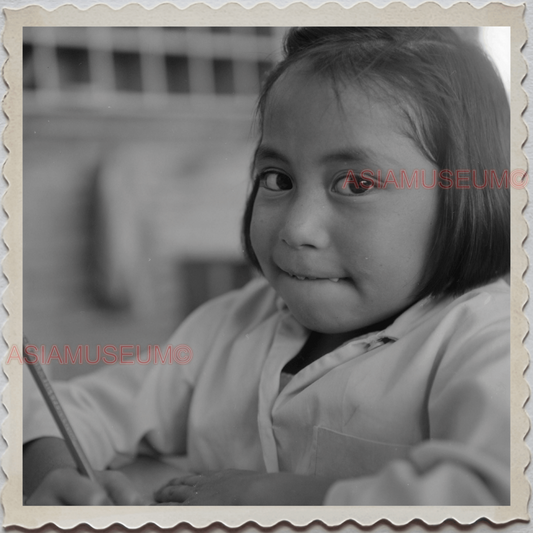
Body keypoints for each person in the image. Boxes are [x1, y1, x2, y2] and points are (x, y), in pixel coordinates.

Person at [23, 27, 510, 506]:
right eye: (277, 177)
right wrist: (58, 476)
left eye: (356, 184)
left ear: (464, 199)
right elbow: (60, 413)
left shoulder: (492, 339)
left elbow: (493, 498)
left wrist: (277, 497)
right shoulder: (226, 327)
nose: (296, 228)